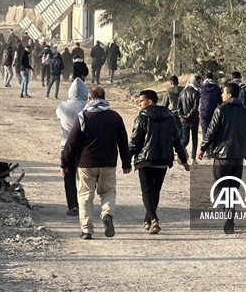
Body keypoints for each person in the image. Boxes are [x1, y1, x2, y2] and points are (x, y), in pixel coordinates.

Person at [61, 85, 131, 239]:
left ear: (90, 98)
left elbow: (71, 143)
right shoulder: (115, 117)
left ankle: (87, 230)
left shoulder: (83, 117)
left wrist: (65, 164)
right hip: (108, 163)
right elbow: (123, 142)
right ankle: (107, 214)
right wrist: (126, 163)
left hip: (86, 164)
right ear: (104, 98)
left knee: (85, 196)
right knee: (108, 191)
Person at [130, 89, 190, 235]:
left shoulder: (142, 118)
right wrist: (184, 160)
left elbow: (135, 142)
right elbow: (177, 141)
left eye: (141, 101)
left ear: (150, 101)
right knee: (155, 191)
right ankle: (148, 219)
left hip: (145, 160)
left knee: (147, 191)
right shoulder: (169, 118)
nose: (139, 103)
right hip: (163, 159)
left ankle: (154, 219)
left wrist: (126, 160)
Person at [198, 82, 246, 234]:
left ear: (229, 95)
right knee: (233, 186)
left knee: (221, 185)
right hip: (238, 157)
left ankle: (227, 211)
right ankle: (230, 212)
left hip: (222, 156)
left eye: (223, 93)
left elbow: (211, 131)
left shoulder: (221, 109)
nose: (222, 95)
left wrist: (202, 148)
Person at [57, 77, 88, 216]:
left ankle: (73, 205)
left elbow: (58, 116)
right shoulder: (88, 106)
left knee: (69, 176)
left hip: (67, 145)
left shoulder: (63, 106)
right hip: (85, 147)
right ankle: (85, 204)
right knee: (84, 177)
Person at [177, 74, 201, 162]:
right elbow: (195, 108)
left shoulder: (182, 92)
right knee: (194, 139)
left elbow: (178, 106)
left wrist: (182, 116)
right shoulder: (196, 93)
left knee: (185, 139)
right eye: (198, 82)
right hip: (193, 119)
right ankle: (193, 158)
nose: (199, 84)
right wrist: (187, 116)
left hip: (184, 120)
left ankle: (180, 152)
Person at [199, 73, 222, 140]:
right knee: (213, 130)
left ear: (205, 78)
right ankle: (211, 148)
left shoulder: (202, 88)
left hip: (204, 112)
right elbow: (220, 102)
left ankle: (205, 147)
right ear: (213, 79)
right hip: (214, 111)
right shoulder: (217, 88)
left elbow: (199, 100)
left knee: (205, 131)